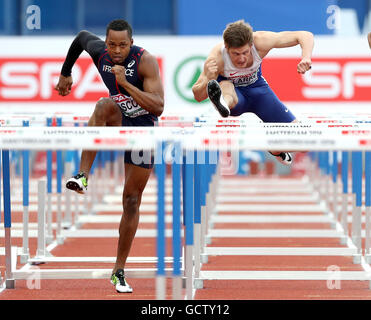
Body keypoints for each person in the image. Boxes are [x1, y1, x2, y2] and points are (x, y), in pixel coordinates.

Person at [55, 19, 164, 293]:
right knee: (104, 104)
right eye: (112, 44)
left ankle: (118, 270)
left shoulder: (145, 61)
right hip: (118, 118)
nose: (116, 50)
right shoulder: (100, 52)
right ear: (106, 43)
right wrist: (66, 72)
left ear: (132, 42)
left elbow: (159, 107)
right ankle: (82, 176)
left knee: (131, 200)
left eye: (122, 45)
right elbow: (80, 36)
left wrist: (125, 84)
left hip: (143, 128)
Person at [192, 20, 314, 165]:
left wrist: (306, 57)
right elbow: (198, 96)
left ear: (251, 45)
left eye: (245, 52)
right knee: (225, 84)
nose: (241, 58)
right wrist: (209, 77)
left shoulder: (261, 41)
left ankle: (275, 148)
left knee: (305, 143)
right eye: (235, 54)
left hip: (259, 93)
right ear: (226, 48)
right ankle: (223, 104)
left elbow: (305, 35)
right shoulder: (217, 58)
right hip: (235, 97)